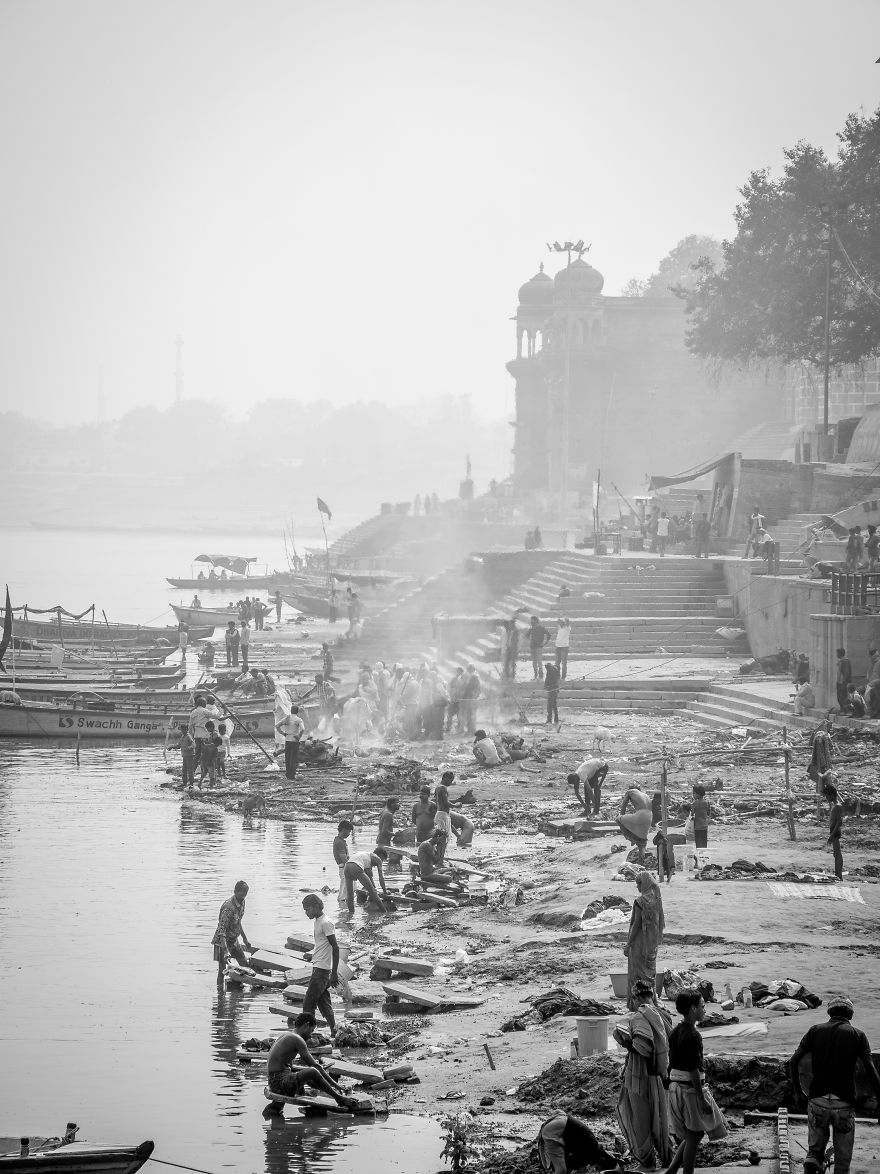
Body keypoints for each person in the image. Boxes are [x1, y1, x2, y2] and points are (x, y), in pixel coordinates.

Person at [788, 994, 880, 1174]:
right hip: (844, 1103)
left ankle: (812, 1162)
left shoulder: (815, 1030)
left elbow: (793, 1061)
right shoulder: (858, 1035)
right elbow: (871, 1071)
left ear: (830, 1012)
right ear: (850, 1015)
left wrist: (798, 1092)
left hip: (817, 1100)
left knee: (814, 1152)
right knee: (842, 1163)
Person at [661, 990, 727, 1174]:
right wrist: (701, 1098)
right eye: (702, 1006)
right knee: (695, 1134)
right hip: (689, 1090)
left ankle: (672, 1170)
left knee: (692, 1134)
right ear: (693, 1009)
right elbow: (693, 1070)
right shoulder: (693, 1035)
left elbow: (672, 1062)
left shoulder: (675, 1031)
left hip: (675, 1087)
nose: (704, 1010)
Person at [615, 977, 673, 1170]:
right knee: (660, 1118)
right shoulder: (664, 1015)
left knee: (640, 1120)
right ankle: (667, 1158)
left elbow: (643, 1046)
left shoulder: (639, 1016)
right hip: (660, 1075)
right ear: (653, 995)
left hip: (640, 1076)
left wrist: (625, 1042)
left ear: (636, 998)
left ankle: (647, 1162)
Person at [264, 1013, 358, 1115]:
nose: (310, 1035)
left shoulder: (287, 1035)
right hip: (280, 1082)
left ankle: (328, 1092)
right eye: (311, 1030)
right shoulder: (297, 1039)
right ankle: (339, 1098)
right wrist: (336, 1085)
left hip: (275, 1081)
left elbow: (291, 1068)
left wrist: (314, 1071)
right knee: (312, 1071)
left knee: (310, 1073)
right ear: (306, 1025)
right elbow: (315, 1067)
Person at [623, 872, 665, 1008]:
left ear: (645, 884)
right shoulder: (656, 899)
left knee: (637, 975)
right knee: (649, 973)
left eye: (638, 884)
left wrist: (628, 944)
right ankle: (651, 1001)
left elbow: (636, 925)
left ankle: (637, 1004)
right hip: (651, 943)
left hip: (639, 943)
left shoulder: (640, 902)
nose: (637, 887)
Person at [301, 894, 339, 1037]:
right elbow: (322, 945)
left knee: (308, 1003)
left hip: (322, 970)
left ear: (316, 906)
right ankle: (334, 1031)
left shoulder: (326, 922)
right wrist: (313, 956)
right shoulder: (317, 921)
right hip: (318, 966)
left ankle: (307, 1035)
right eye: (305, 910)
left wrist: (334, 973)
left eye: (308, 909)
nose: (306, 913)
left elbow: (335, 947)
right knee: (323, 1003)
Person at [536, 1113, 620, 1174]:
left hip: (561, 1120)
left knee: (563, 1166)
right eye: (598, 1169)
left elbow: (580, 1167)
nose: (596, 1170)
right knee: (561, 1170)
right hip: (553, 1130)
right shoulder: (591, 1153)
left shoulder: (593, 1148)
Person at [211, 880, 252, 981]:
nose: (243, 897)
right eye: (241, 895)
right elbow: (221, 931)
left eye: (245, 895)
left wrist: (245, 940)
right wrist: (225, 951)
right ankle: (220, 990)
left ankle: (238, 987)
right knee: (222, 972)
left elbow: (238, 922)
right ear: (235, 892)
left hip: (233, 940)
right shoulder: (228, 908)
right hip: (222, 942)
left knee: (245, 966)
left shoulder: (242, 902)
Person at [342, 848, 389, 913]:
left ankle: (351, 914)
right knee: (373, 892)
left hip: (347, 867)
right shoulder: (378, 859)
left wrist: (374, 888)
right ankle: (384, 912)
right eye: (383, 859)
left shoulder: (366, 857)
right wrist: (385, 891)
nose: (382, 862)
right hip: (355, 866)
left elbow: (369, 877)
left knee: (350, 895)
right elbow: (381, 877)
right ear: (381, 855)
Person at [618, 785, 654, 864]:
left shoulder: (629, 792)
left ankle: (631, 838)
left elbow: (623, 807)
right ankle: (641, 865)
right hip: (649, 816)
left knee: (618, 819)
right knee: (642, 843)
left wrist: (622, 819)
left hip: (641, 814)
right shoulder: (645, 795)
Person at [276, 705, 305, 781]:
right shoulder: (298, 720)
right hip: (294, 741)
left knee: (288, 758)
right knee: (293, 758)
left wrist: (282, 733)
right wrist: (299, 736)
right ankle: (292, 774)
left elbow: (277, 726)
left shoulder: (286, 719)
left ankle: (288, 774)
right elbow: (302, 729)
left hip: (287, 740)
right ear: (297, 711)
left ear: (291, 711)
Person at [824, 783, 844, 880]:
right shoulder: (835, 805)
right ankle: (838, 874)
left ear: (832, 795)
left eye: (827, 796)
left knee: (837, 854)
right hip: (834, 831)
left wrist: (832, 835)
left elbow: (839, 822)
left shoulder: (837, 806)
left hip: (835, 832)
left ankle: (838, 875)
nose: (826, 798)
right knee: (836, 853)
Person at [333, 820, 352, 905]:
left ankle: (343, 907)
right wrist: (351, 868)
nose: (349, 834)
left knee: (345, 889)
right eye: (349, 831)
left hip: (343, 867)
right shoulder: (339, 842)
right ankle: (342, 907)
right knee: (344, 892)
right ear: (344, 829)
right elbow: (343, 858)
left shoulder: (339, 840)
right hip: (344, 867)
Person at [433, 781, 453, 862]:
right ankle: (440, 860)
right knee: (443, 838)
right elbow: (445, 802)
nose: (450, 782)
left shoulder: (437, 787)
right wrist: (456, 805)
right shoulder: (443, 787)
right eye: (451, 780)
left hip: (439, 814)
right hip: (443, 815)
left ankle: (439, 859)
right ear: (446, 778)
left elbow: (439, 801)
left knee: (440, 837)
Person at [528, 615, 552, 679]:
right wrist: (530, 640)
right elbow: (527, 635)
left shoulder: (541, 628)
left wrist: (545, 643)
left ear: (535, 621)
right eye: (531, 620)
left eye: (532, 620)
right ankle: (535, 675)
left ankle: (541, 676)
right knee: (534, 662)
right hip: (532, 647)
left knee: (539, 662)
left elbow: (549, 635)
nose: (531, 622)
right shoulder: (531, 628)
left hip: (539, 647)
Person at [460, 664, 481, 734]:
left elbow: (471, 688)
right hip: (470, 698)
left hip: (471, 699)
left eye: (470, 669)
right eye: (469, 669)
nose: (469, 670)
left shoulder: (474, 677)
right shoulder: (473, 677)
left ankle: (471, 730)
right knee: (470, 714)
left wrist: (473, 695)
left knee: (471, 715)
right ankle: (470, 730)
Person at [446, 667, 464, 732]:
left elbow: (463, 689)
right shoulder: (453, 679)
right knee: (450, 714)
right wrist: (452, 696)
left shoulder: (462, 679)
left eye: (461, 672)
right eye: (459, 671)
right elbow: (450, 688)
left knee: (459, 715)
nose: (460, 673)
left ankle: (459, 728)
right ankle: (448, 727)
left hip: (459, 700)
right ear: (457, 672)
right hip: (453, 700)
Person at [836, 647, 853, 712]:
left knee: (843, 697)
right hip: (839, 682)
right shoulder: (841, 661)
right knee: (839, 697)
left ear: (840, 653)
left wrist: (844, 683)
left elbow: (846, 673)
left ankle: (845, 710)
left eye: (837, 653)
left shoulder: (845, 661)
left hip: (843, 683)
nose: (836, 654)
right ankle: (842, 709)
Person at [544, 660, 561, 724]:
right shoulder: (554, 670)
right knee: (554, 705)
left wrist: (547, 687)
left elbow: (550, 681)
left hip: (552, 691)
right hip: (554, 690)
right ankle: (556, 719)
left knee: (550, 706)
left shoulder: (551, 671)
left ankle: (549, 720)